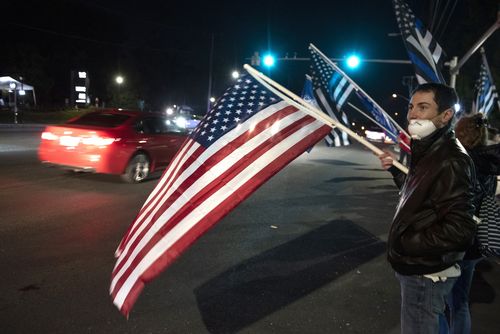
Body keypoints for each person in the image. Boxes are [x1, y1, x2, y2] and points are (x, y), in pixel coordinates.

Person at [378, 83, 477, 334]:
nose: (413, 114)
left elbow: (459, 230)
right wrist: (394, 170)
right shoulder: (429, 150)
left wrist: (407, 243)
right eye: (411, 107)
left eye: (423, 108)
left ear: (446, 115)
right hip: (421, 269)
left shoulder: (451, 159)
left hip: (426, 273)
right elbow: (420, 195)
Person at [443, 113, 500, 334]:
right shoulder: (488, 160)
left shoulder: (460, 160)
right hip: (478, 240)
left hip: (454, 237)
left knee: (439, 302)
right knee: (461, 301)